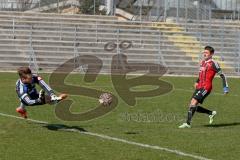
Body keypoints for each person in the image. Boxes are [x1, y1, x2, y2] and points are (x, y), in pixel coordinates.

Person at [179, 46, 229, 128]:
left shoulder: (214, 64)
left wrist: (225, 88)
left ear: (211, 54)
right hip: (199, 86)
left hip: (206, 87)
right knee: (191, 105)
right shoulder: (203, 62)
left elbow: (223, 75)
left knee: (194, 102)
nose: (204, 54)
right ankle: (210, 113)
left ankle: (187, 124)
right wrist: (197, 81)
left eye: (206, 53)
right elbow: (201, 74)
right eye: (204, 52)